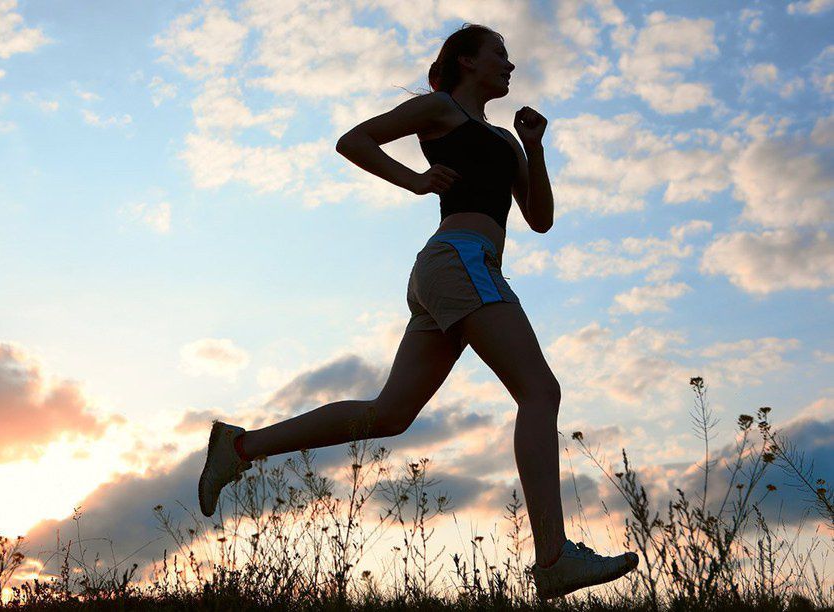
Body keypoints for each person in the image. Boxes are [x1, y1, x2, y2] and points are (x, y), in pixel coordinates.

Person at [198, 23, 638, 600]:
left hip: (454, 271)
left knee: (389, 414)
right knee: (540, 392)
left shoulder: (506, 141)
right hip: (459, 261)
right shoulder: (441, 108)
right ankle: (553, 557)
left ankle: (239, 447)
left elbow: (540, 218)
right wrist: (416, 181)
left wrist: (533, 146)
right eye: (499, 54)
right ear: (466, 60)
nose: (509, 65)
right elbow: (355, 140)